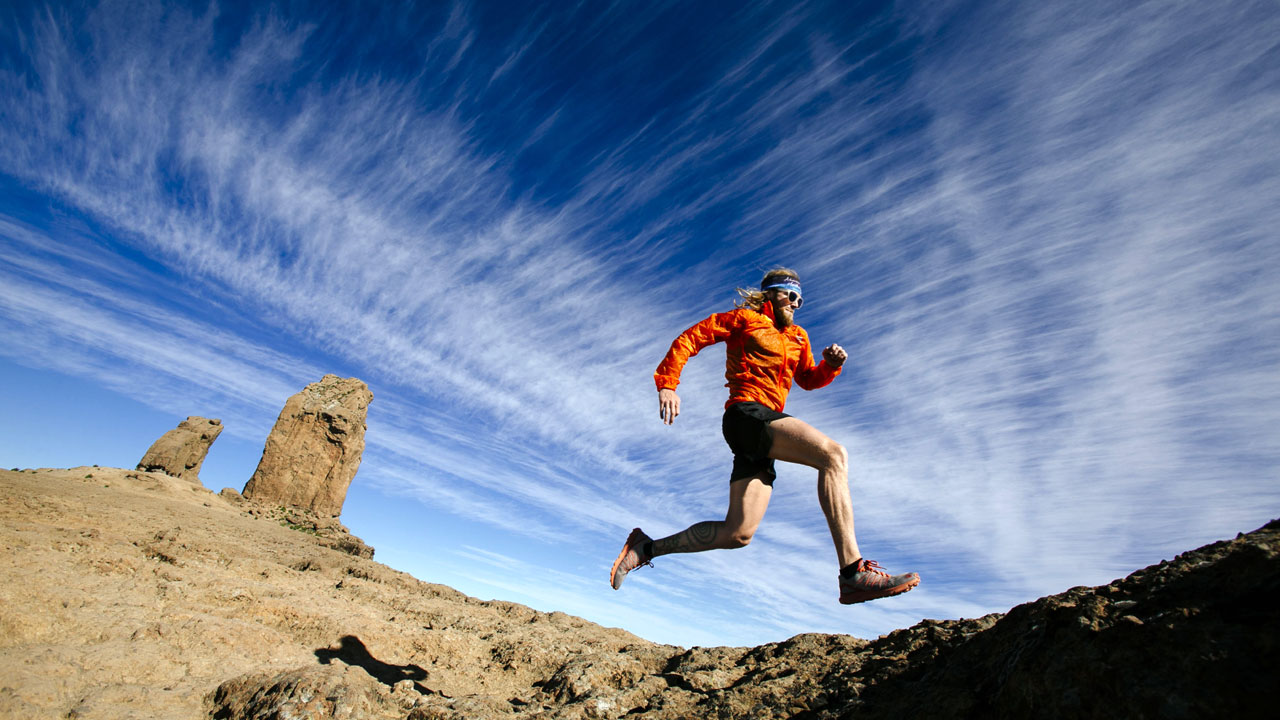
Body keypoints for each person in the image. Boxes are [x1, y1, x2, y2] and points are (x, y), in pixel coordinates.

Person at [609, 268, 919, 605]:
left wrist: (829, 366)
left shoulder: (799, 337)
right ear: (772, 293)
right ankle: (853, 572)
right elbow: (691, 338)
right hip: (746, 414)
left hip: (765, 426)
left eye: (801, 300)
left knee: (738, 533)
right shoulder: (744, 319)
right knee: (833, 456)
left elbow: (808, 379)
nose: (796, 305)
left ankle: (646, 547)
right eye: (791, 296)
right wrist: (668, 383)